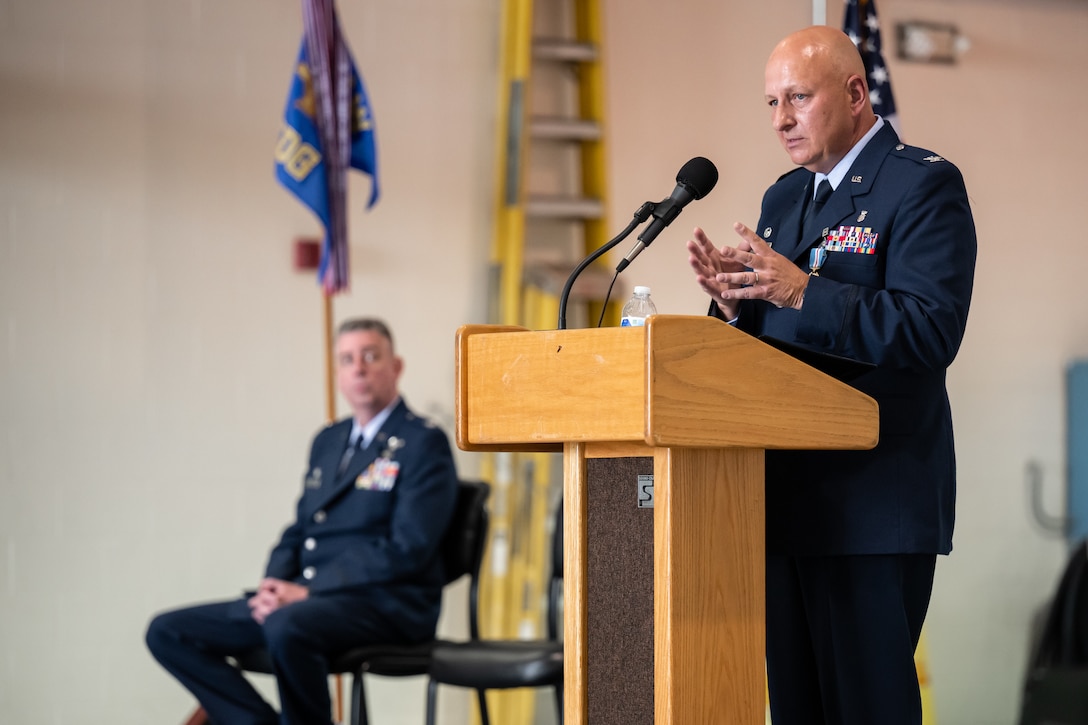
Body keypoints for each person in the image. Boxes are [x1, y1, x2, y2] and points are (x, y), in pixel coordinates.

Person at [687, 26, 976, 725]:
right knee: (796, 711)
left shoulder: (922, 184)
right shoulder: (785, 199)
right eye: (770, 103)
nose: (781, 119)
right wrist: (731, 307)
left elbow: (928, 330)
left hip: (873, 502)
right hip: (783, 501)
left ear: (854, 93)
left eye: (797, 97)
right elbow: (770, 346)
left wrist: (797, 291)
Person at [146, 317, 459, 725]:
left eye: (370, 356)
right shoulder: (328, 440)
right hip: (309, 600)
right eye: (347, 359)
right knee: (168, 632)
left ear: (395, 366)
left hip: (386, 603)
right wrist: (272, 586)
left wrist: (307, 591)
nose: (358, 368)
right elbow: (299, 530)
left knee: (287, 625)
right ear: (338, 374)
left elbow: (408, 548)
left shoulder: (422, 442)